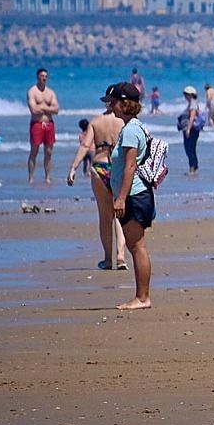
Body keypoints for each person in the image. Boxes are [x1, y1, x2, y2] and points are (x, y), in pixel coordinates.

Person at [107, 83, 155, 311]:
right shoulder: (134, 127)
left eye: (113, 102)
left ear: (125, 104)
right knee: (136, 246)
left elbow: (130, 166)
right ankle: (141, 296)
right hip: (136, 194)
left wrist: (121, 198)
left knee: (137, 247)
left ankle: (142, 297)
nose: (110, 106)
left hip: (134, 195)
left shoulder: (130, 131)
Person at [75, 86, 126, 270]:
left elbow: (85, 146)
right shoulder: (124, 122)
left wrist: (73, 168)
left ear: (106, 102)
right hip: (118, 168)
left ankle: (107, 259)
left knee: (105, 217)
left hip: (99, 167)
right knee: (120, 214)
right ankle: (121, 256)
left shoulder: (96, 122)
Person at [26, 67, 60, 184]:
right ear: (37, 77)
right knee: (34, 151)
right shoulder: (32, 91)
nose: (44, 78)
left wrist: (42, 107)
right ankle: (31, 177)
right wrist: (48, 108)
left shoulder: (50, 93)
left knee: (49, 152)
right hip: (37, 124)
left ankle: (47, 177)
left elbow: (56, 110)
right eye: (42, 76)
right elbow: (34, 110)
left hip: (49, 124)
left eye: (46, 76)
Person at [177, 86, 203, 176]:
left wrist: (188, 129)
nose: (185, 96)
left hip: (191, 130)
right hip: (191, 130)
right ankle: (194, 168)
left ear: (191, 95)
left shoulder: (193, 104)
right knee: (191, 149)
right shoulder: (192, 103)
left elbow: (192, 117)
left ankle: (192, 169)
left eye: (186, 94)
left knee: (189, 149)